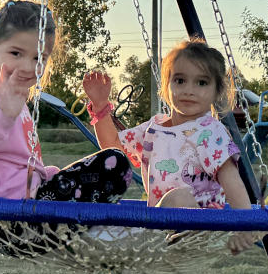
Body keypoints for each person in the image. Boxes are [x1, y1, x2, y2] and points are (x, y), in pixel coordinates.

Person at [0, 0, 132, 209]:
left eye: (38, 58)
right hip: (2, 207)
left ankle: (79, 221)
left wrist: (45, 175)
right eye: (16, 53)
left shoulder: (17, 98)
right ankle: (78, 221)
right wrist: (2, 116)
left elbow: (16, 162)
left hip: (27, 200)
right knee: (113, 164)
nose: (27, 67)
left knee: (116, 167)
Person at [83, 37, 255, 255]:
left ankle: (151, 243)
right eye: (180, 80)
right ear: (166, 86)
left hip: (201, 225)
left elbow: (231, 179)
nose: (189, 90)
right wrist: (100, 108)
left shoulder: (210, 131)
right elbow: (113, 146)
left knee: (178, 197)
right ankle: (137, 244)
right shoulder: (154, 127)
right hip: (160, 224)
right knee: (104, 219)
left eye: (202, 83)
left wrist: (245, 226)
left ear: (217, 92)